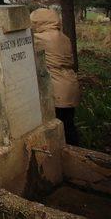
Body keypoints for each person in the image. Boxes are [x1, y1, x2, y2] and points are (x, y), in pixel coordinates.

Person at [30, 8, 81, 145]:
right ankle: (75, 150)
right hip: (70, 84)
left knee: (57, 126)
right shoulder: (63, 37)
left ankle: (64, 155)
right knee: (69, 123)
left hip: (56, 87)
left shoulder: (41, 38)